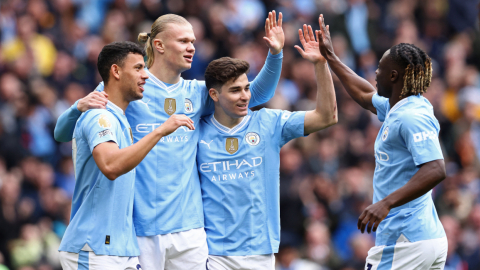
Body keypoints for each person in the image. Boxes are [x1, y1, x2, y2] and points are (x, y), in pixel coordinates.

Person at [54, 12, 285, 269]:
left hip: (190, 230)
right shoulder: (130, 86)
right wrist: (77, 107)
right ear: (159, 45)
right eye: (184, 41)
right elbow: (63, 133)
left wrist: (275, 54)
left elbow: (255, 95)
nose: (192, 47)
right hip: (140, 230)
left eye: (193, 41)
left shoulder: (197, 93)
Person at [198, 20, 337, 270]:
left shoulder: (269, 122)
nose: (244, 96)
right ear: (214, 95)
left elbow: (327, 116)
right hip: (212, 254)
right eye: (235, 91)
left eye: (247, 88)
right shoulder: (195, 132)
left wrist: (320, 64)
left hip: (259, 253)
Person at [316, 15, 448, 269]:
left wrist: (385, 203)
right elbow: (365, 95)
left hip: (405, 241)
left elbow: (436, 168)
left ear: (394, 75)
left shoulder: (411, 116)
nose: (375, 73)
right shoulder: (397, 106)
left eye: (380, 68)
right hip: (422, 239)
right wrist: (331, 57)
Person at [58, 41, 194, 269]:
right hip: (94, 248)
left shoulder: (120, 117)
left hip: (122, 249)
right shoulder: (99, 116)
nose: (146, 76)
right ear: (116, 71)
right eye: (138, 68)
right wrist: (160, 131)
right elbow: (110, 166)